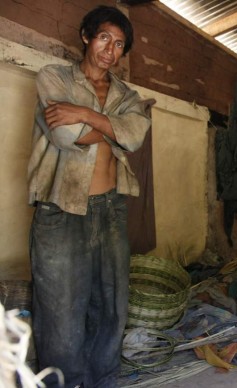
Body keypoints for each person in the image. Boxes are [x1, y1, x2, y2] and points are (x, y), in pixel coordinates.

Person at [27, 6, 151, 387]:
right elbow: (66, 137)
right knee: (61, 308)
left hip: (110, 208)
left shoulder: (125, 94)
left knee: (112, 304)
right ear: (85, 36)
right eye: (103, 38)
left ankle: (103, 379)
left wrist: (85, 113)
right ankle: (64, 381)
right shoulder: (54, 77)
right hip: (60, 209)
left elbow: (135, 137)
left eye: (118, 45)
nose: (110, 51)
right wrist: (116, 128)